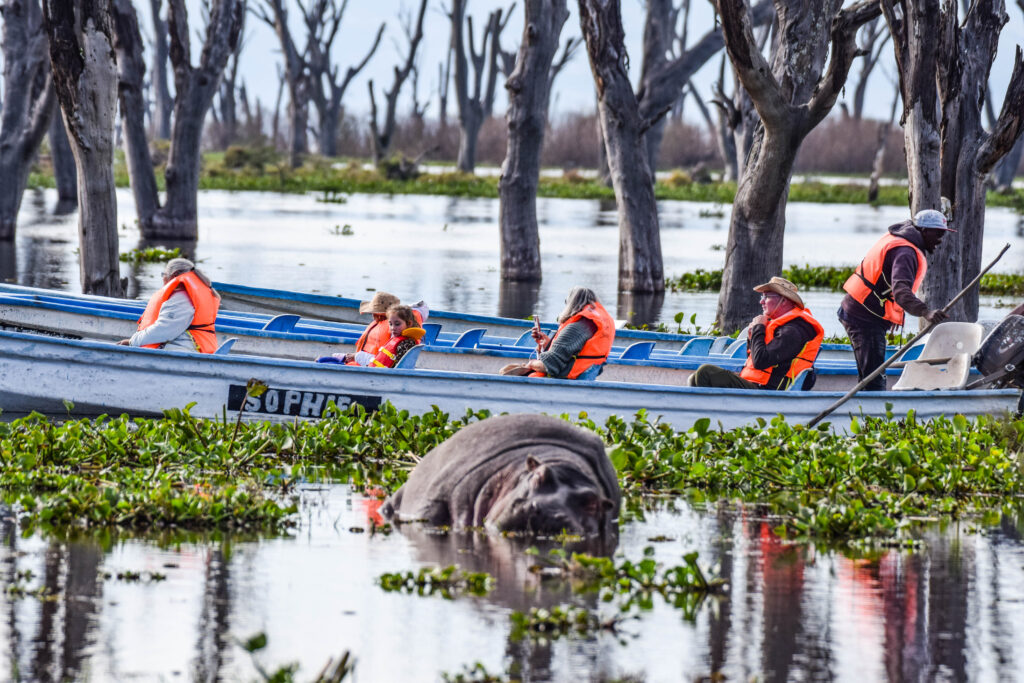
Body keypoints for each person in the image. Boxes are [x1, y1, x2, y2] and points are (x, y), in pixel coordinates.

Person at [839, 209, 954, 390]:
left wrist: (890, 315)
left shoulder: (901, 241)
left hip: (862, 310)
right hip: (863, 317)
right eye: (938, 234)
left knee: (871, 371)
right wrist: (926, 312)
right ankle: (871, 412)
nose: (941, 240)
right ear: (924, 231)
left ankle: (866, 402)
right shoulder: (906, 253)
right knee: (873, 378)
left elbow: (887, 285)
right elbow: (901, 292)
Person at [689, 277, 824, 390]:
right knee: (694, 377)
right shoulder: (782, 325)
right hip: (757, 384)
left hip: (768, 391)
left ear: (784, 301)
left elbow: (760, 361)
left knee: (705, 372)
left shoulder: (793, 331)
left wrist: (759, 328)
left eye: (767, 297)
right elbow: (754, 357)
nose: (761, 301)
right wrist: (752, 336)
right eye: (762, 296)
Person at [503, 287, 615, 379]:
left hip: (567, 379)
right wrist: (547, 343)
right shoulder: (594, 322)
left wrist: (530, 364)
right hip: (584, 376)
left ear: (571, 303)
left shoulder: (576, 327)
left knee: (505, 372)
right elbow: (573, 350)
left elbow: (549, 366)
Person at [118, 258, 220, 352]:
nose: (163, 279)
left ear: (174, 275)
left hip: (184, 349)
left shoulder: (182, 298)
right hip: (198, 347)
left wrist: (132, 342)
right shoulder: (194, 293)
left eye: (164, 274)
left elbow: (164, 330)